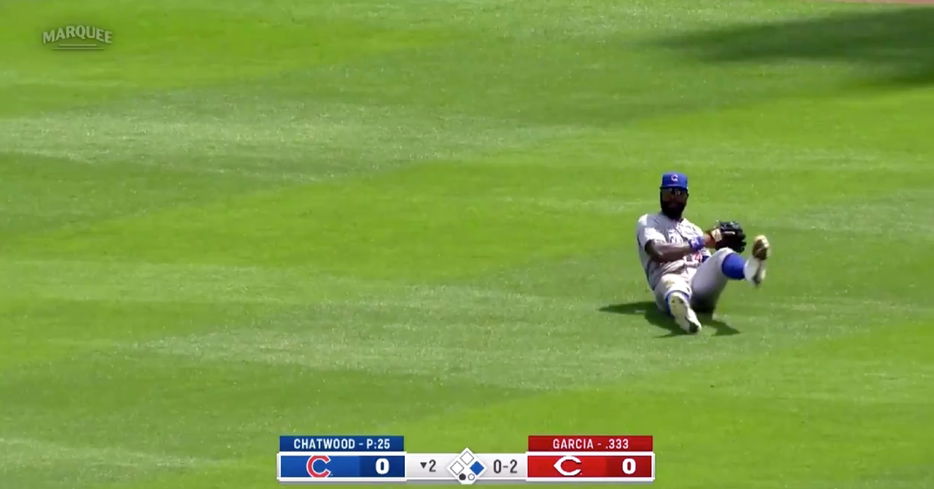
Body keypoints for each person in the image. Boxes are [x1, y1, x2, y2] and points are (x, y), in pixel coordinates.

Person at [635, 171, 770, 333]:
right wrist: (702, 240)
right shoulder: (649, 222)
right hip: (667, 281)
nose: (673, 198)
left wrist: (717, 252)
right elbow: (658, 252)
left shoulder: (694, 229)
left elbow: (707, 262)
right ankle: (686, 315)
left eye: (678, 193)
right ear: (660, 195)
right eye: (668, 193)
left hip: (699, 286)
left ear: (686, 197)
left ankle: (751, 271)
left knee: (723, 254)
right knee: (671, 282)